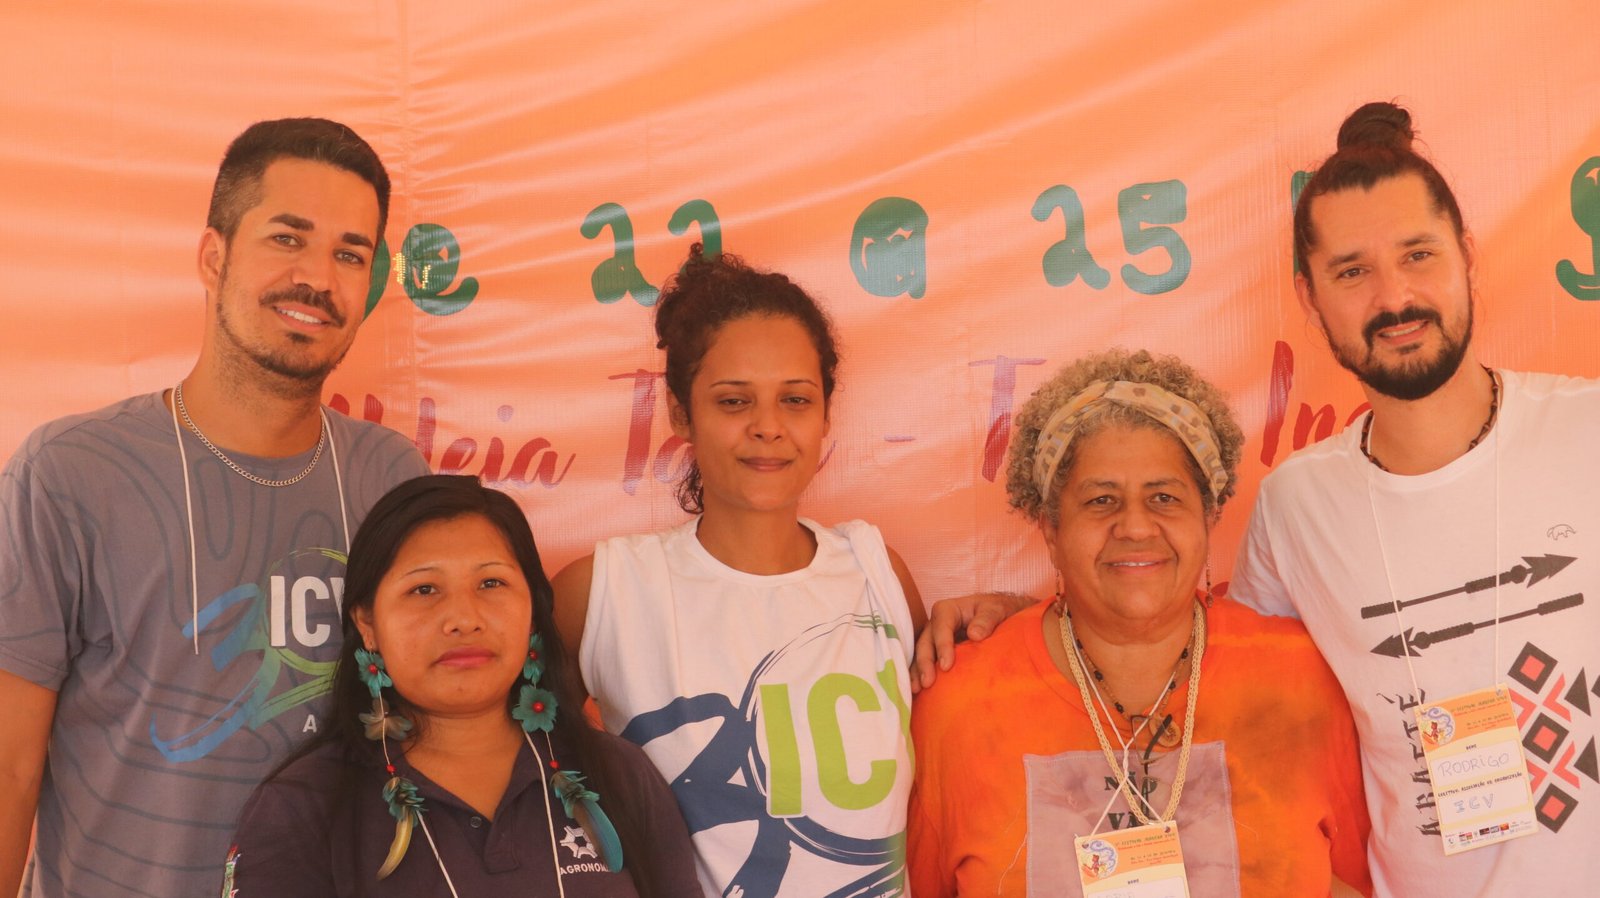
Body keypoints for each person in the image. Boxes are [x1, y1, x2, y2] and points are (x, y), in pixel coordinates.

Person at [0, 118, 429, 897]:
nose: (317, 278)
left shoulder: (392, 477)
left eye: (349, 254)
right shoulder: (69, 473)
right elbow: (9, 765)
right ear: (213, 256)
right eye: (287, 238)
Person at [1233, 101, 1600, 895]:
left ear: (1465, 255)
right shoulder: (1294, 508)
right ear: (1309, 296)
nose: (1394, 298)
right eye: (1352, 271)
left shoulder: (1589, 431)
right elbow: (1232, 701)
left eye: (1418, 254)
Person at [552, 245, 944, 897]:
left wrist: (999, 612)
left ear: (826, 413)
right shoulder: (605, 591)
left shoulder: (878, 572)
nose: (768, 427)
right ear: (680, 412)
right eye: (734, 401)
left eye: (795, 399)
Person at [909, 349, 1371, 897]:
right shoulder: (960, 704)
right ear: (1051, 530)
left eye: (1164, 498)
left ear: (1209, 516)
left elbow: (1354, 880)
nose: (1134, 526)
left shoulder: (1302, 678)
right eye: (1101, 500)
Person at [225, 474, 700, 896]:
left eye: (491, 583)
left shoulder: (617, 774)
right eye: (424, 589)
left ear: (533, 611)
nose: (463, 619)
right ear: (368, 624)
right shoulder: (303, 805)